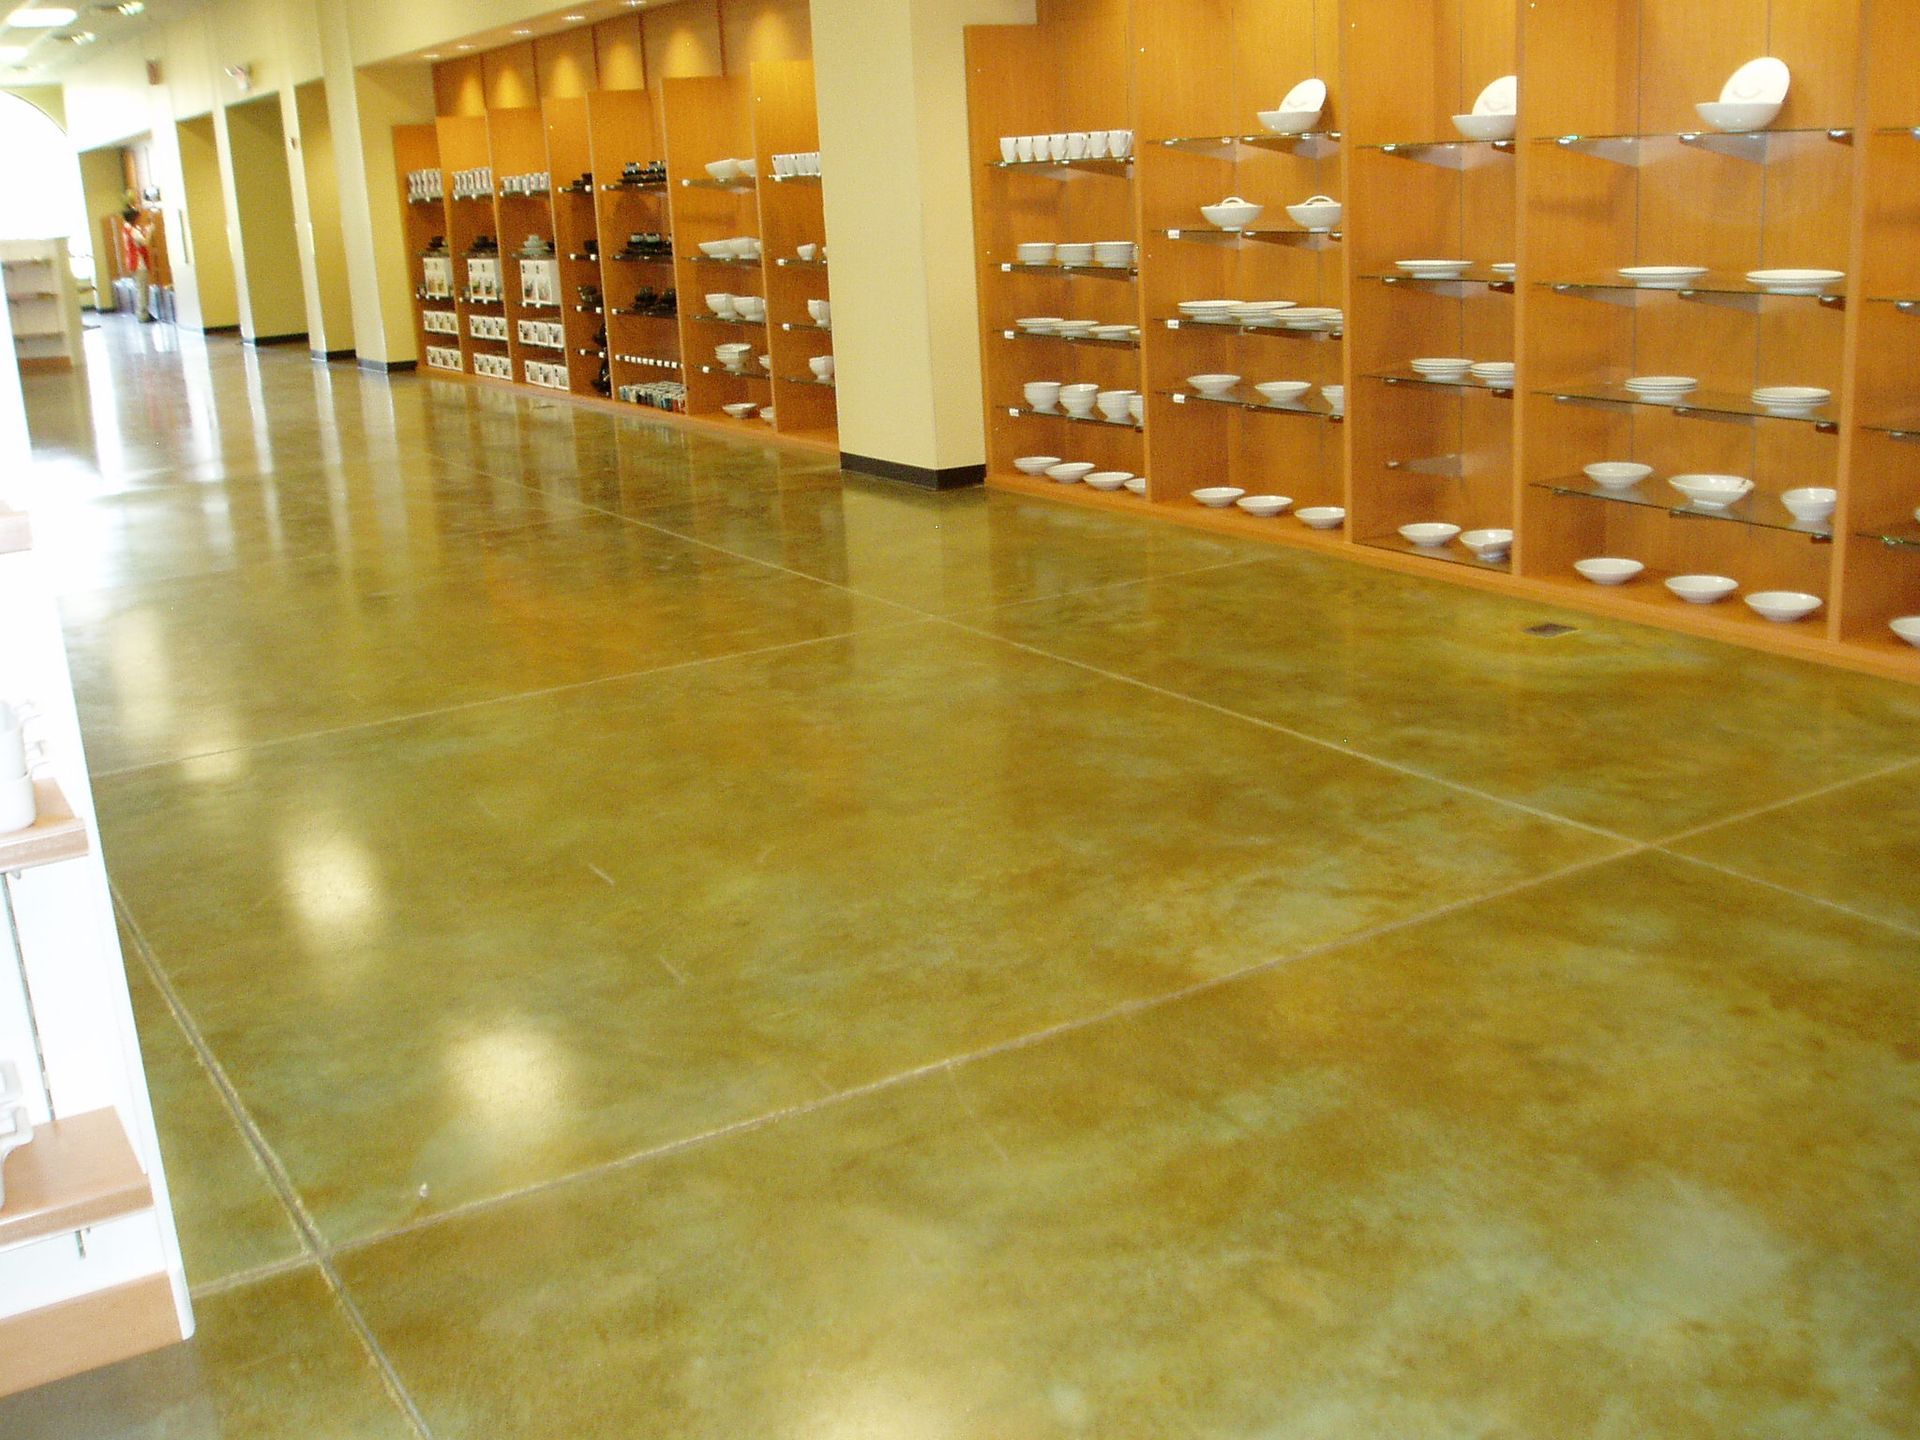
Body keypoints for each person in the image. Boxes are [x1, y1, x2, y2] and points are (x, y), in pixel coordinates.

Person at [120, 207, 154, 322]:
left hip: (132, 263)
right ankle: (143, 314)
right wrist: (150, 231)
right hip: (139, 265)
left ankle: (142, 312)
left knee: (140, 289)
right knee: (142, 290)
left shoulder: (125, 229)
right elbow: (145, 242)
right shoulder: (133, 231)